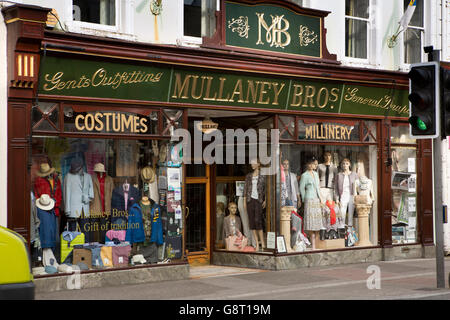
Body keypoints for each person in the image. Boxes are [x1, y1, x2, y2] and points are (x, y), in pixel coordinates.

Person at [299, 157, 323, 250]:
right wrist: (305, 199)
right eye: (309, 164)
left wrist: (321, 198)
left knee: (316, 222)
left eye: (313, 164)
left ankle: (315, 245)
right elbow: (301, 188)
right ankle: (312, 245)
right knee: (310, 222)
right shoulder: (304, 175)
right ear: (307, 165)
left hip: (316, 199)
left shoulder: (316, 174)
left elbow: (318, 187)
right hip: (309, 198)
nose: (311, 165)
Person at [244, 158, 266, 251]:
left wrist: (265, 200)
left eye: (253, 163)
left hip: (259, 200)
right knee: (252, 222)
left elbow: (266, 188)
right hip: (250, 200)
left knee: (258, 221)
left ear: (258, 164)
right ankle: (257, 244)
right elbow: (245, 189)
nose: (252, 165)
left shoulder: (263, 175)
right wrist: (245, 202)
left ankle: (263, 243)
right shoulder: (249, 176)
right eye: (251, 163)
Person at [334, 158, 358, 238]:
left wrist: (357, 196)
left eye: (347, 163)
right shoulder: (339, 175)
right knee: (342, 214)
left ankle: (350, 233)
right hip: (343, 195)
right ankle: (342, 232)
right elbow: (336, 188)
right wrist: (337, 198)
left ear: (349, 165)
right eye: (343, 164)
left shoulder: (354, 174)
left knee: (350, 214)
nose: (345, 165)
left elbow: (358, 186)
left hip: (352, 196)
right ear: (341, 165)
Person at [317, 152, 337, 239]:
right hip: (321, 188)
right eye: (326, 155)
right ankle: (322, 228)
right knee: (322, 208)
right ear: (323, 156)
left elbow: (336, 179)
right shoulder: (320, 166)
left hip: (330, 189)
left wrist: (335, 193)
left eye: (329, 155)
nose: (327, 157)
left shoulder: (334, 167)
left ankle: (330, 228)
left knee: (330, 209)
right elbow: (316, 178)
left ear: (331, 157)